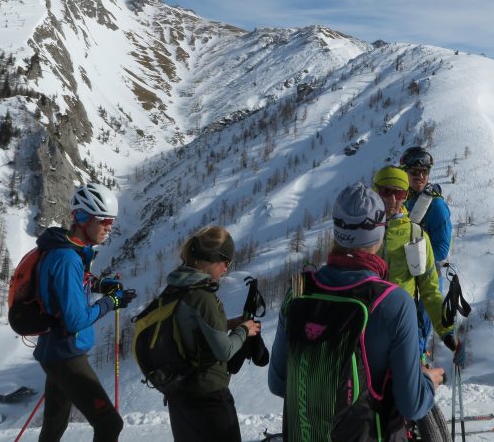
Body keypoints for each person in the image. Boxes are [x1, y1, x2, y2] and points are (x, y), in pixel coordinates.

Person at [268, 183, 443, 440]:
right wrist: (428, 380)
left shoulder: (300, 292)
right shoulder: (394, 302)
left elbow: (279, 383)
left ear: (337, 230)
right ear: (380, 232)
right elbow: (412, 405)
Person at [33, 183, 134, 442]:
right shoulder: (67, 259)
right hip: (66, 354)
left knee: (55, 426)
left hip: (56, 351)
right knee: (110, 424)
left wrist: (101, 285)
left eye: (111, 221)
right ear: (81, 218)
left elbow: (71, 287)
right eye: (104, 221)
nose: (109, 227)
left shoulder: (69, 251)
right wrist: (112, 302)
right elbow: (75, 319)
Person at [163, 226, 261, 442]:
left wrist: (226, 324)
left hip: (179, 393)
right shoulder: (202, 297)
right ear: (211, 258)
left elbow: (190, 328)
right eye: (226, 261)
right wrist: (244, 330)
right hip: (207, 396)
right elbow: (224, 351)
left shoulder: (175, 286)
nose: (227, 268)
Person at [373, 166, 458, 359]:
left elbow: (429, 289)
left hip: (402, 327)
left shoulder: (416, 235)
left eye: (399, 193)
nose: (392, 200)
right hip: (366, 326)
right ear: (375, 191)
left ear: (405, 195)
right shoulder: (362, 231)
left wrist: (446, 330)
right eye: (386, 192)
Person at [400, 147, 453, 264]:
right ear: (404, 172)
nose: (420, 176)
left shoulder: (436, 205)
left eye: (424, 171)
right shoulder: (396, 199)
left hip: (424, 278)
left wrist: (403, 259)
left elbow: (441, 251)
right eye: (414, 171)